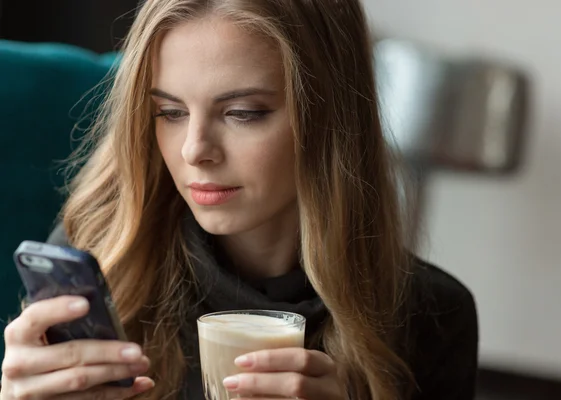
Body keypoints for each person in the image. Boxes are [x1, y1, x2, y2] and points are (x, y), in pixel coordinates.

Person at [0, 0, 478, 399]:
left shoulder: (431, 315)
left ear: (332, 118)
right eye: (169, 112)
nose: (194, 150)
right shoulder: (105, 252)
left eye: (242, 113)